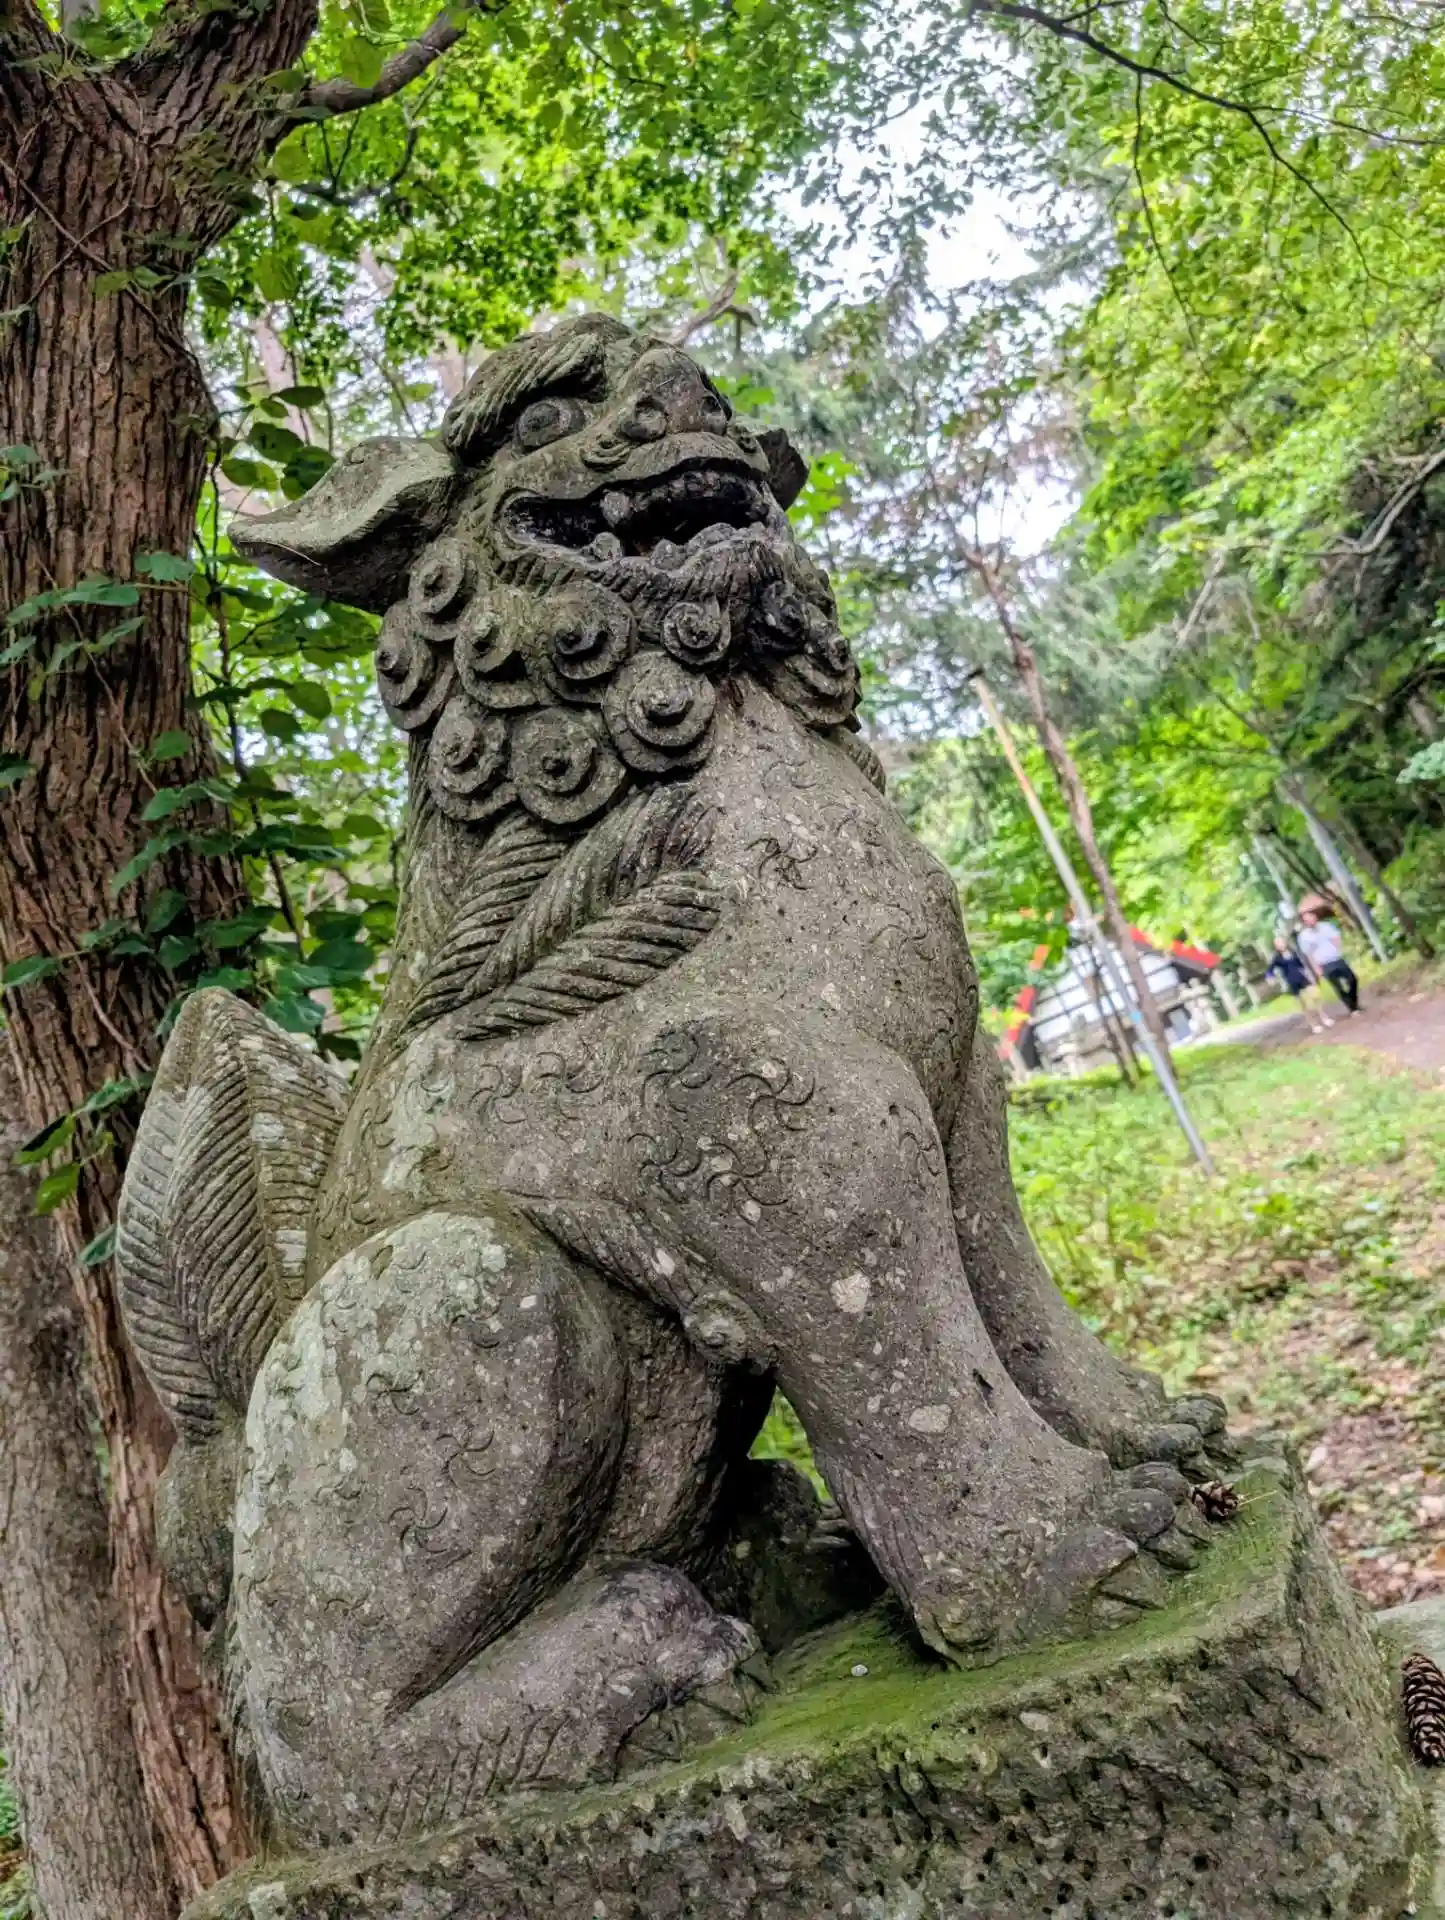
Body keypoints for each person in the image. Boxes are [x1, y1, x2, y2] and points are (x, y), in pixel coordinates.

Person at [1297, 905, 1360, 1015]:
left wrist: (1338, 949)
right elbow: (1309, 954)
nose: (1310, 921)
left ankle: (1352, 1001)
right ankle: (1352, 1008)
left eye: (1311, 917)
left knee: (1352, 979)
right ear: (1304, 922)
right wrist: (1316, 968)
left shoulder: (1326, 926)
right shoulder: (1304, 936)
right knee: (1338, 986)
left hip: (1336, 958)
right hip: (1324, 964)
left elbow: (1336, 937)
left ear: (1315, 917)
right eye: (1306, 920)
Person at [1264, 933, 1333, 1032]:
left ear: (1285, 942)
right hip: (1292, 982)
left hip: (1302, 978)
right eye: (1277, 944)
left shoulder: (1293, 952)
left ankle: (1324, 1018)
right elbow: (1270, 970)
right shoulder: (1276, 958)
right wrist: (1270, 978)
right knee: (1303, 1005)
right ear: (1276, 946)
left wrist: (1309, 974)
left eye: (1281, 942)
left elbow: (1301, 965)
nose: (1280, 945)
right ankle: (1314, 1025)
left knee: (1315, 996)